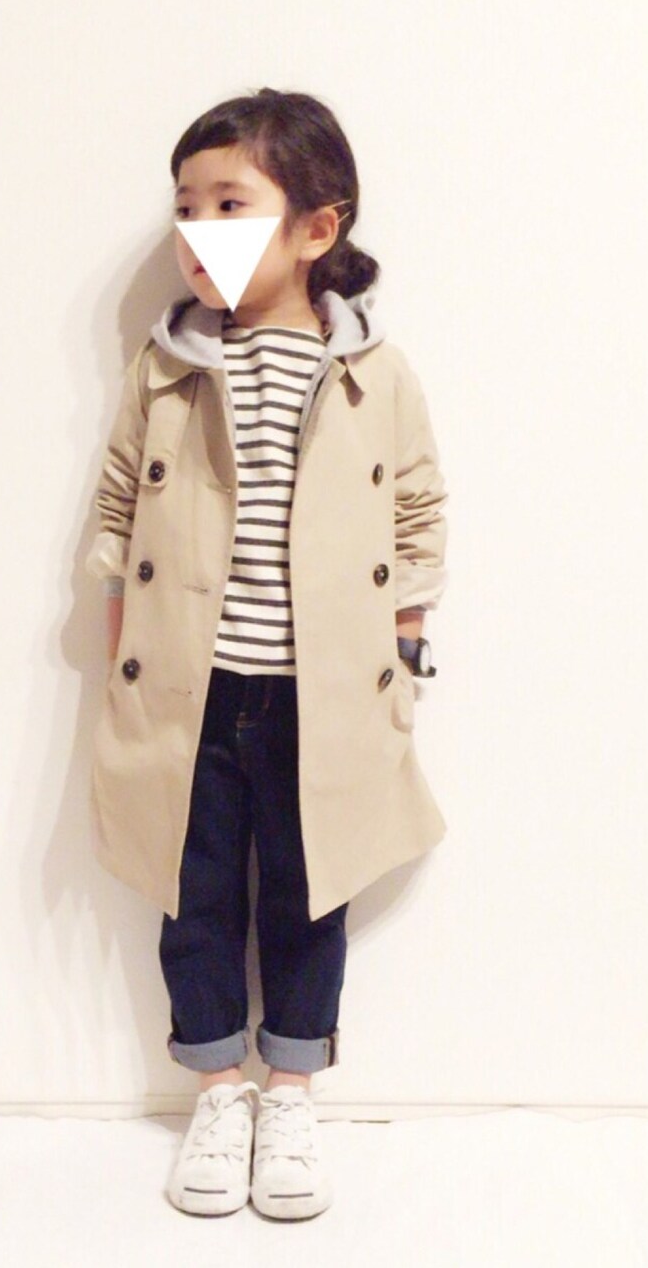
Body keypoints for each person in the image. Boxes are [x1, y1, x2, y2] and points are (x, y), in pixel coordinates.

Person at [85, 87, 449, 1220]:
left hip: (322, 697)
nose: (199, 229)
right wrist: (123, 647)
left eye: (230, 204)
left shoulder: (373, 372)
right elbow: (117, 506)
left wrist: (403, 650)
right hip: (190, 694)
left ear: (315, 228)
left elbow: (417, 512)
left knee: (309, 892)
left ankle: (291, 1089)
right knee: (191, 894)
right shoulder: (168, 366)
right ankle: (216, 1090)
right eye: (185, 207)